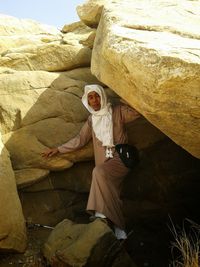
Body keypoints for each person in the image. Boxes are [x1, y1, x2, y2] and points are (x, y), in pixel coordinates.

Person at [42, 84, 140, 240]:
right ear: (87, 100)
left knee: (98, 172)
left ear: (102, 96)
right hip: (103, 161)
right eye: (91, 97)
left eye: (97, 96)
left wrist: (123, 96)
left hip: (120, 159)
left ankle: (102, 213)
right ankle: (119, 228)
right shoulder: (91, 120)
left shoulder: (117, 111)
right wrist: (58, 149)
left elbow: (136, 113)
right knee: (113, 194)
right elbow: (80, 140)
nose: (94, 100)